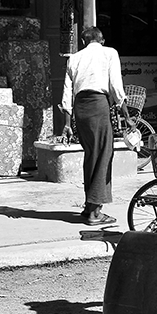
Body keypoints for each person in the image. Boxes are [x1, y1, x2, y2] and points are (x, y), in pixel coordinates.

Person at [60, 26, 130, 226]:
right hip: (98, 106)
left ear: (83, 42)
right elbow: (116, 86)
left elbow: (67, 93)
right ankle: (94, 211)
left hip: (81, 109)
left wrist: (67, 124)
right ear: (102, 40)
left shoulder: (74, 58)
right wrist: (126, 114)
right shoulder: (109, 53)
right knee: (103, 155)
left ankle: (88, 205)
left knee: (91, 155)